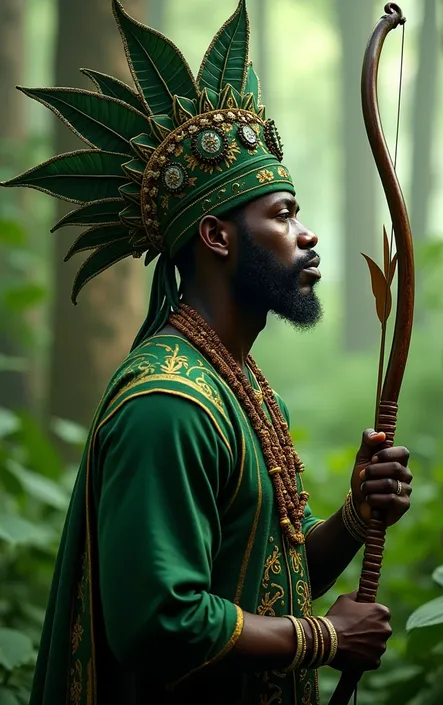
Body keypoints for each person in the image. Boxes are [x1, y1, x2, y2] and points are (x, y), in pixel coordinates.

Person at [2, 1, 413, 704]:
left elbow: (261, 581)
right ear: (218, 237)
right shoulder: (169, 402)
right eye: (283, 213)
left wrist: (352, 518)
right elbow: (160, 622)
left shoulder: (243, 385)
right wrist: (324, 637)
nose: (308, 235)